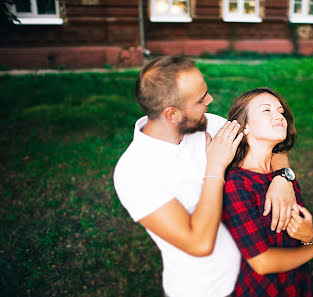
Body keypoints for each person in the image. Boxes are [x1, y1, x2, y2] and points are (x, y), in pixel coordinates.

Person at [113, 56, 299, 297]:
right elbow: (199, 243)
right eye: (201, 99)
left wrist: (281, 177)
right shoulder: (135, 173)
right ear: (172, 114)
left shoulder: (208, 124)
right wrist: (215, 167)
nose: (210, 101)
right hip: (207, 290)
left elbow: (270, 146)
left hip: (253, 279)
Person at [222, 88, 313, 297]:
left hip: (295, 282)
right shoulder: (236, 183)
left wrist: (309, 236)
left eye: (280, 110)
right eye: (266, 110)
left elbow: (299, 231)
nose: (278, 116)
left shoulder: (282, 177)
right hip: (261, 289)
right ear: (245, 126)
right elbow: (261, 262)